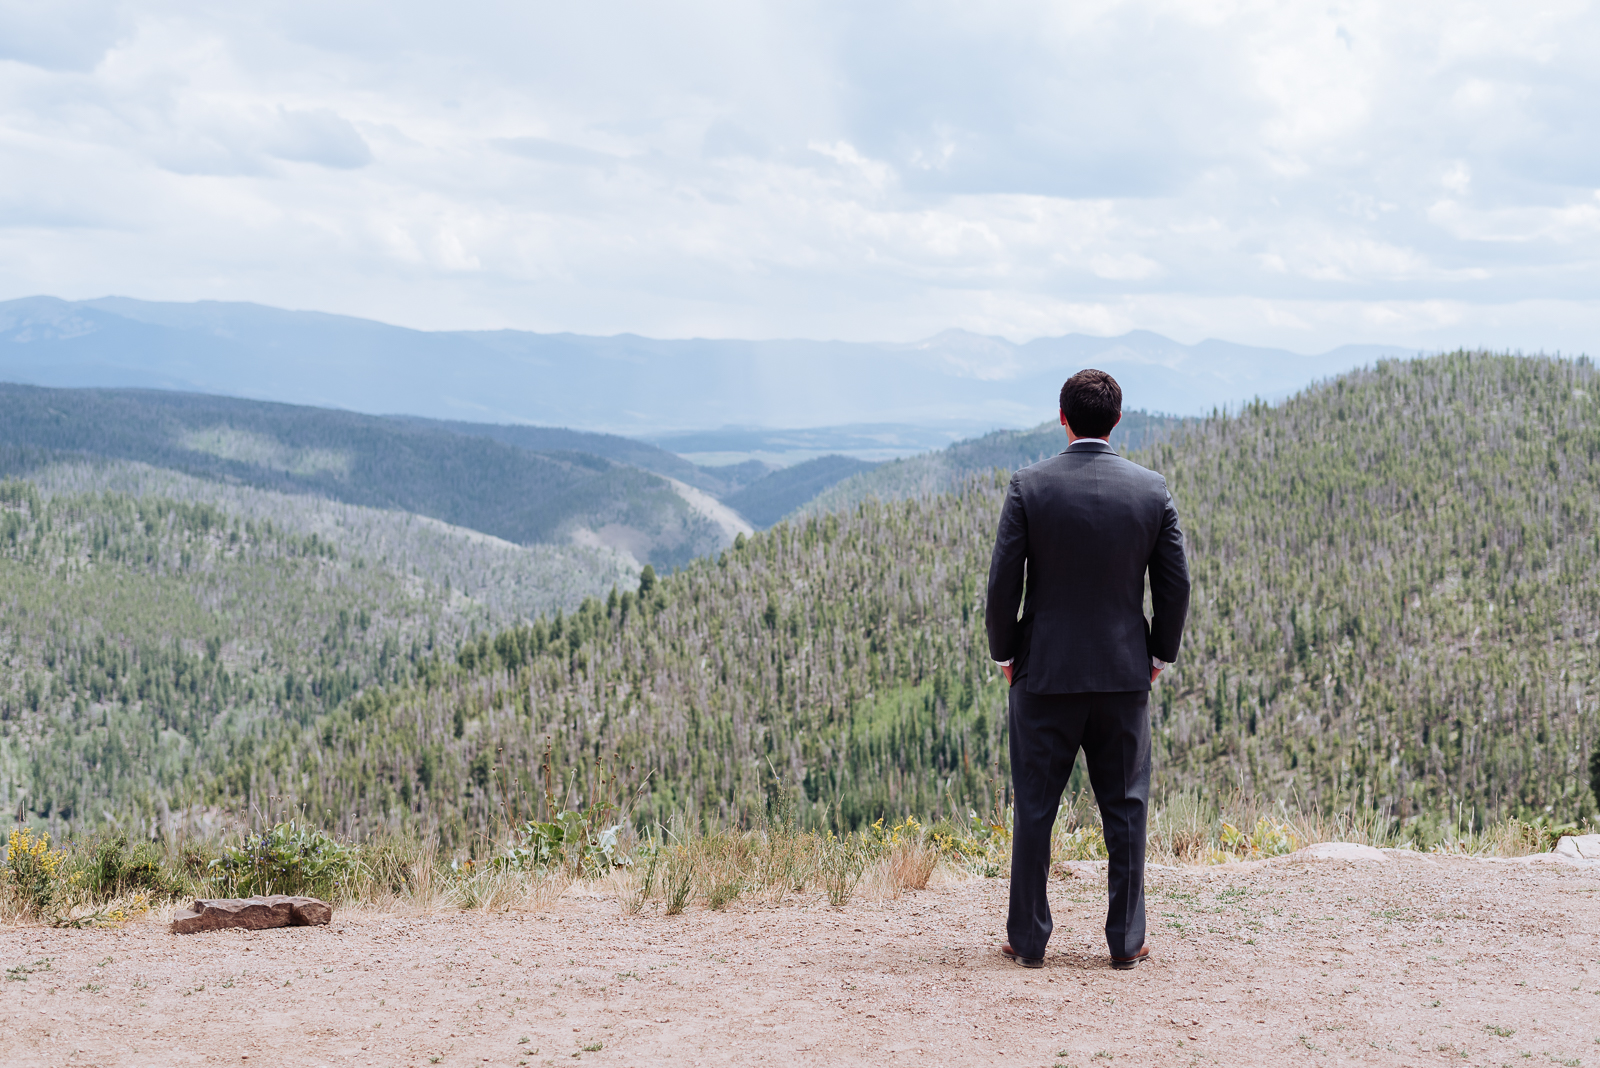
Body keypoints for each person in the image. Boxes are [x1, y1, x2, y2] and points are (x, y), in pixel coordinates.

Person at [984, 368, 1190, 970]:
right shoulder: (1151, 491)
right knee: (1126, 810)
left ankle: (1028, 940)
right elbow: (1175, 585)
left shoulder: (1029, 487)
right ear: (1117, 420)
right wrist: (1158, 656)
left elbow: (1003, 584)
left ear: (1062, 417)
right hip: (1124, 676)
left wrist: (1007, 655)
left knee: (1035, 808)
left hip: (1044, 675)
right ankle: (1126, 942)